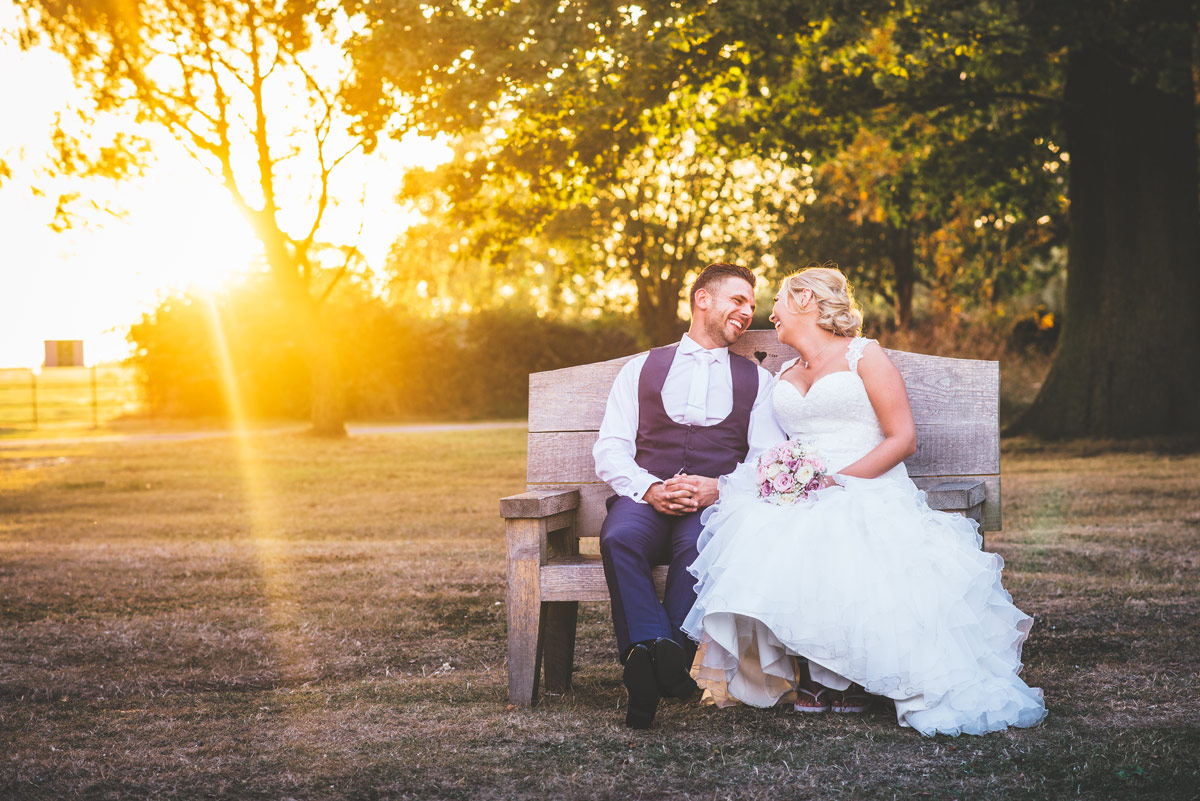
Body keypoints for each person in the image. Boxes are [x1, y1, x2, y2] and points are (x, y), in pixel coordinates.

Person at [682, 266, 1047, 736]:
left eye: (777, 302)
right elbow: (774, 447)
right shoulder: (784, 372)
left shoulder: (864, 356)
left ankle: (847, 677)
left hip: (868, 481)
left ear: (806, 302)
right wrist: (788, 479)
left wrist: (836, 480)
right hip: (806, 485)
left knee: (839, 527)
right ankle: (815, 672)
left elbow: (902, 439)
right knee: (768, 529)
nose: (767, 313)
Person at [594, 262, 785, 729]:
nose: (746, 312)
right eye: (737, 300)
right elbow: (612, 447)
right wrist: (650, 488)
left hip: (713, 507)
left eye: (752, 305)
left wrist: (717, 488)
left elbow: (765, 457)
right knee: (618, 538)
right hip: (644, 499)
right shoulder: (640, 369)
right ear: (703, 299)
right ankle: (666, 661)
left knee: (699, 546)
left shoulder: (757, 382)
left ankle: (651, 660)